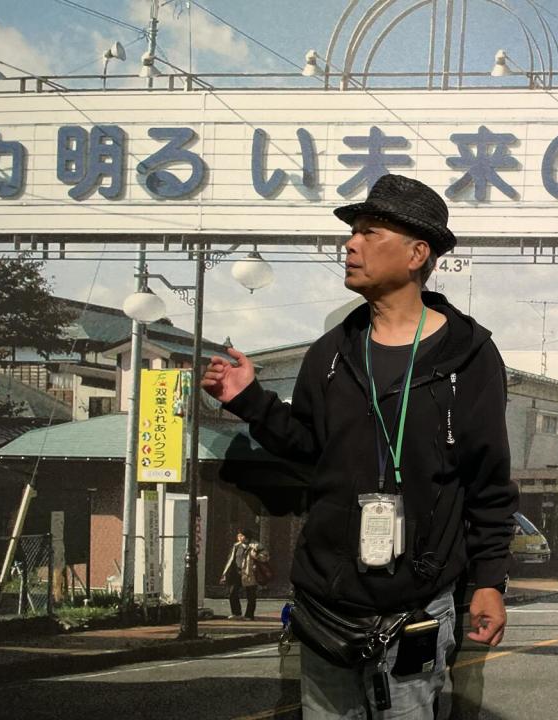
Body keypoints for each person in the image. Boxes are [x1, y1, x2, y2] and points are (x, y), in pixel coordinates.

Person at [203, 173, 518, 719]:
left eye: (370, 233)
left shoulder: (469, 358)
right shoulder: (330, 354)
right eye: (353, 233)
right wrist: (248, 399)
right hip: (327, 603)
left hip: (417, 603)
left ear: (418, 253)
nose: (350, 244)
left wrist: (490, 582)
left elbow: (487, 481)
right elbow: (307, 448)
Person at [220, 528, 268, 620]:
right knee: (232, 592)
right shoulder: (236, 546)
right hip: (236, 573)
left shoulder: (256, 546)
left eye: (241, 535)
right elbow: (230, 560)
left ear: (246, 537)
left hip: (249, 573)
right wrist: (225, 573)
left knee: (250, 595)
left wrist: (256, 556)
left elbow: (266, 557)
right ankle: (236, 613)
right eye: (238, 535)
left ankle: (249, 615)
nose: (239, 537)